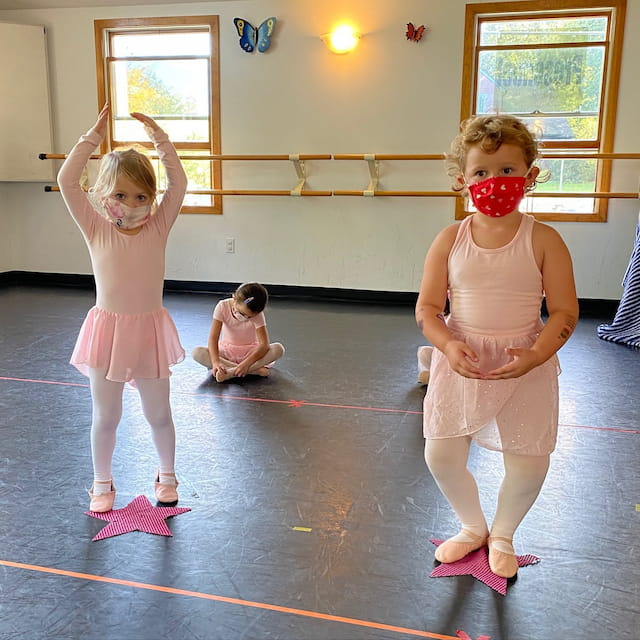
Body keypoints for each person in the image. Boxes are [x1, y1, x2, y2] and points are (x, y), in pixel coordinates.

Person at [415, 114, 579, 578]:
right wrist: (447, 345)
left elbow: (564, 312)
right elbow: (427, 309)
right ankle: (472, 526)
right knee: (440, 454)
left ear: (529, 175)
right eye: (482, 173)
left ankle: (503, 532)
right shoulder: (450, 239)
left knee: (528, 458)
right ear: (462, 180)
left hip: (525, 362)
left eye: (507, 170)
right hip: (461, 360)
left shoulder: (545, 239)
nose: (494, 182)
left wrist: (537, 354)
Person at [57, 103, 188, 512]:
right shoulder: (94, 226)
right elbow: (66, 180)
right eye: (119, 194)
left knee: (159, 414)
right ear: (102, 195)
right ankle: (101, 483)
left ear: (151, 198)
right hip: (107, 334)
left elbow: (179, 183)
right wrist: (91, 138)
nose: (130, 203)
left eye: (140, 196)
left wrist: (160, 141)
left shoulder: (160, 225)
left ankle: (166, 474)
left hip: (148, 333)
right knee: (106, 416)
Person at [192, 282, 284, 382]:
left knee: (278, 349)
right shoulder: (222, 306)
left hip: (250, 353)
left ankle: (231, 372)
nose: (245, 318)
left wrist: (246, 364)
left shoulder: (258, 313)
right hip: (227, 353)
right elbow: (213, 338)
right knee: (197, 352)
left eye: (250, 317)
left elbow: (264, 345)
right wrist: (215, 362)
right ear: (234, 298)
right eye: (242, 313)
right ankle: (252, 371)